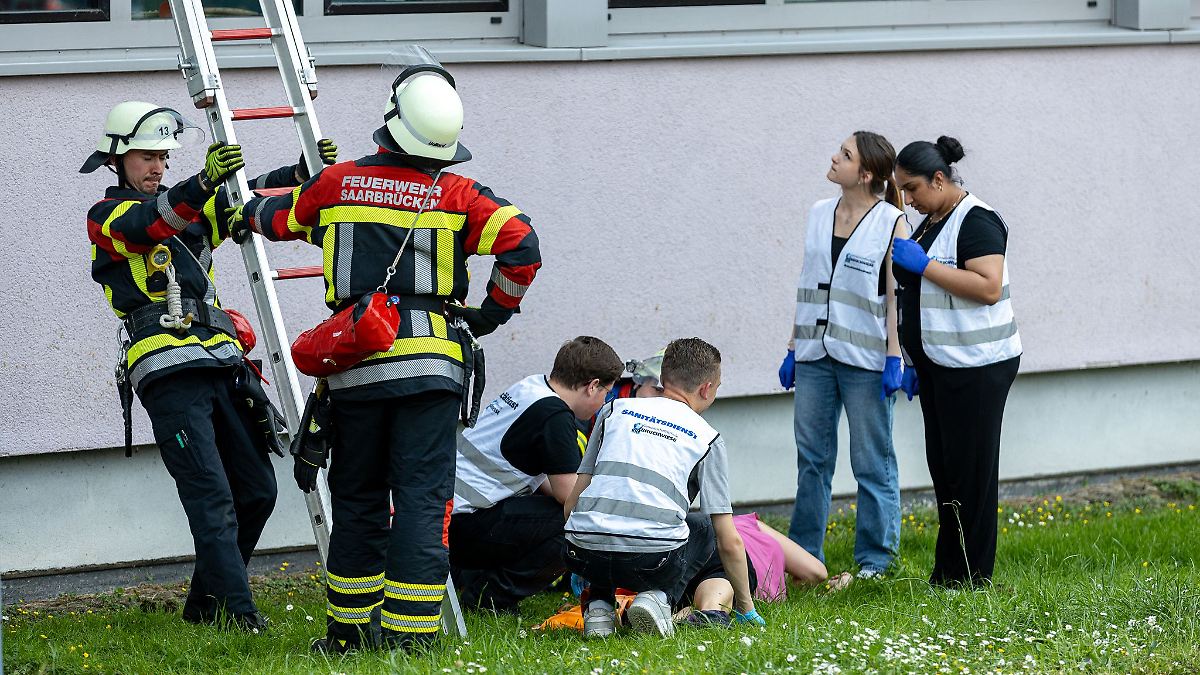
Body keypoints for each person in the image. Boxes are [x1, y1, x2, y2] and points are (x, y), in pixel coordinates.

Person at [229, 65, 542, 652]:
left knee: (357, 500)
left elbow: (274, 218)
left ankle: (347, 635)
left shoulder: (339, 184)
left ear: (391, 125)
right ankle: (410, 638)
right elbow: (523, 248)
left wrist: (237, 200)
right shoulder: (458, 194)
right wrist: (488, 315)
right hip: (431, 369)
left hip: (355, 371)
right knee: (423, 500)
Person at [82, 100, 336, 630]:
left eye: (163, 158)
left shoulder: (192, 202)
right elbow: (153, 222)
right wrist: (201, 181)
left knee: (259, 491)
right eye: (146, 157)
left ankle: (204, 608)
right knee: (212, 495)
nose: (157, 166)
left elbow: (247, 199)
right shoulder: (107, 216)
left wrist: (305, 175)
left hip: (221, 361)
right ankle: (240, 614)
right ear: (116, 159)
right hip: (165, 369)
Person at [563, 338, 763, 638]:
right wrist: (746, 608)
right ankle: (658, 598)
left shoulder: (613, 410)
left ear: (663, 378)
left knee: (611, 525)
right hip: (652, 562)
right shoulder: (707, 437)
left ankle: (599, 604)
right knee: (703, 528)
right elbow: (728, 540)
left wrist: (580, 556)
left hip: (583, 550)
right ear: (707, 389)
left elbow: (574, 500)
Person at [890, 136, 1022, 587]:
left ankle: (975, 576)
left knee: (972, 474)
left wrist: (923, 266)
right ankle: (949, 572)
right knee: (945, 470)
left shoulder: (976, 220)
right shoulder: (931, 220)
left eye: (912, 188)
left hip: (979, 367)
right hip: (938, 364)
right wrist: (911, 359)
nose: (908, 199)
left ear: (940, 179)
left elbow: (987, 287)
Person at [779, 131, 908, 578]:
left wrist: (896, 356)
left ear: (865, 174)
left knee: (871, 462)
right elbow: (807, 281)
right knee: (812, 460)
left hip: (866, 360)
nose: (834, 157)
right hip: (815, 355)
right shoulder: (818, 213)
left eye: (845, 154)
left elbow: (897, 296)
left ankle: (875, 561)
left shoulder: (892, 221)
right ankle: (803, 558)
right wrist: (793, 346)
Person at [449, 336, 623, 613]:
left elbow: (544, 480)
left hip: (447, 515)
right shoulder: (555, 416)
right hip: (462, 525)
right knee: (576, 526)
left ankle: (472, 580)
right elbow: (570, 498)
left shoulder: (530, 388)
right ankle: (492, 598)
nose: (604, 402)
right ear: (592, 387)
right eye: (607, 394)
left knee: (552, 515)